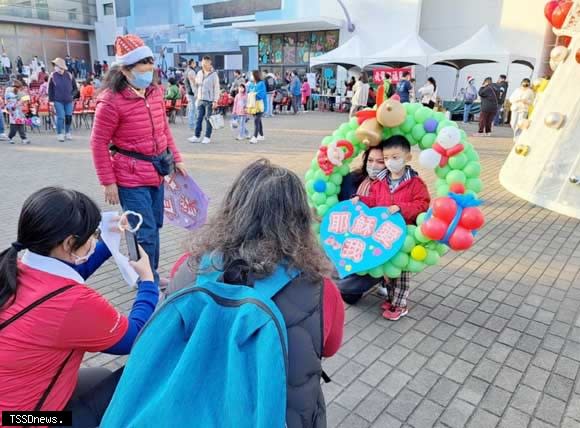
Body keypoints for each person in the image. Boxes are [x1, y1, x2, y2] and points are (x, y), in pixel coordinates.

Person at [164, 159, 344, 427]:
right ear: (300, 218)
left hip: (197, 408)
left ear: (232, 209)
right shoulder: (321, 288)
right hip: (282, 414)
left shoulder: (188, 267)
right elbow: (329, 347)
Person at [0, 187, 159, 428]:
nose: (94, 240)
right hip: (27, 420)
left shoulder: (14, 268)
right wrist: (148, 282)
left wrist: (109, 239)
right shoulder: (72, 303)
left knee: (100, 377)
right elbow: (133, 337)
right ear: (68, 243)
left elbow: (68, 272)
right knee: (143, 378)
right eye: (92, 235)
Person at [90, 34, 187, 283]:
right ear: (124, 69)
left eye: (149, 62)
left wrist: (177, 159)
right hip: (130, 177)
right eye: (141, 63)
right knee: (144, 232)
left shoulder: (154, 93)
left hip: (156, 172)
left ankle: (149, 274)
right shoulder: (111, 101)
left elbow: (165, 130)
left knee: (154, 227)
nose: (148, 68)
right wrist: (108, 182)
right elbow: (98, 143)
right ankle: (147, 281)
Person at [352, 136, 430, 320]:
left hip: (404, 235)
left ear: (408, 158)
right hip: (384, 234)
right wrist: (361, 200)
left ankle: (400, 305)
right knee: (389, 271)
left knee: (401, 273)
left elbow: (423, 204)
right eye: (386, 158)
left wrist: (402, 208)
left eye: (395, 157)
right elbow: (375, 202)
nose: (389, 162)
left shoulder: (415, 183)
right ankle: (392, 298)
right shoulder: (380, 182)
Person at [188, 56, 220, 145]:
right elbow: (197, 84)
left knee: (208, 119)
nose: (203, 64)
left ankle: (207, 137)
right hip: (200, 99)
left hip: (209, 101)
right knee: (198, 119)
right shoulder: (199, 73)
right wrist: (193, 81)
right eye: (202, 62)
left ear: (209, 63)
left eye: (205, 62)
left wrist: (215, 101)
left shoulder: (214, 74)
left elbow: (216, 88)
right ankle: (196, 136)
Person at [48, 57, 77, 142]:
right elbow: (50, 89)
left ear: (61, 67)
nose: (55, 67)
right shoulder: (53, 76)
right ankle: (59, 133)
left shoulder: (69, 75)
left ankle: (67, 132)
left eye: (56, 66)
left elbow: (75, 89)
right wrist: (51, 101)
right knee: (60, 116)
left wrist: (72, 96)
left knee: (68, 116)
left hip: (68, 100)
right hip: (57, 100)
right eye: (55, 66)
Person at [248, 70, 266, 144]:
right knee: (258, 120)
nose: (251, 76)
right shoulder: (251, 84)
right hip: (253, 104)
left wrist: (254, 94)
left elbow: (261, 94)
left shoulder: (261, 83)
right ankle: (261, 135)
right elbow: (248, 91)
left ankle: (254, 137)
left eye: (252, 75)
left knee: (256, 120)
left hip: (259, 105)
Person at [184, 59, 197, 131]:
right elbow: (193, 84)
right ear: (192, 63)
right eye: (195, 63)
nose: (195, 64)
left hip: (188, 92)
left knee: (191, 109)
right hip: (192, 93)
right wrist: (196, 93)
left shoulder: (186, 71)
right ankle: (192, 125)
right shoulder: (191, 71)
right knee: (193, 109)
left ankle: (191, 124)